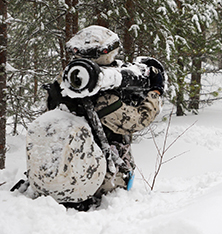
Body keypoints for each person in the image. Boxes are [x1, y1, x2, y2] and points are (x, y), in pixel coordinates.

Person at [45, 25, 165, 209]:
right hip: (97, 180)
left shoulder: (63, 85)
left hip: (60, 170)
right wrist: (155, 92)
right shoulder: (104, 100)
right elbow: (141, 119)